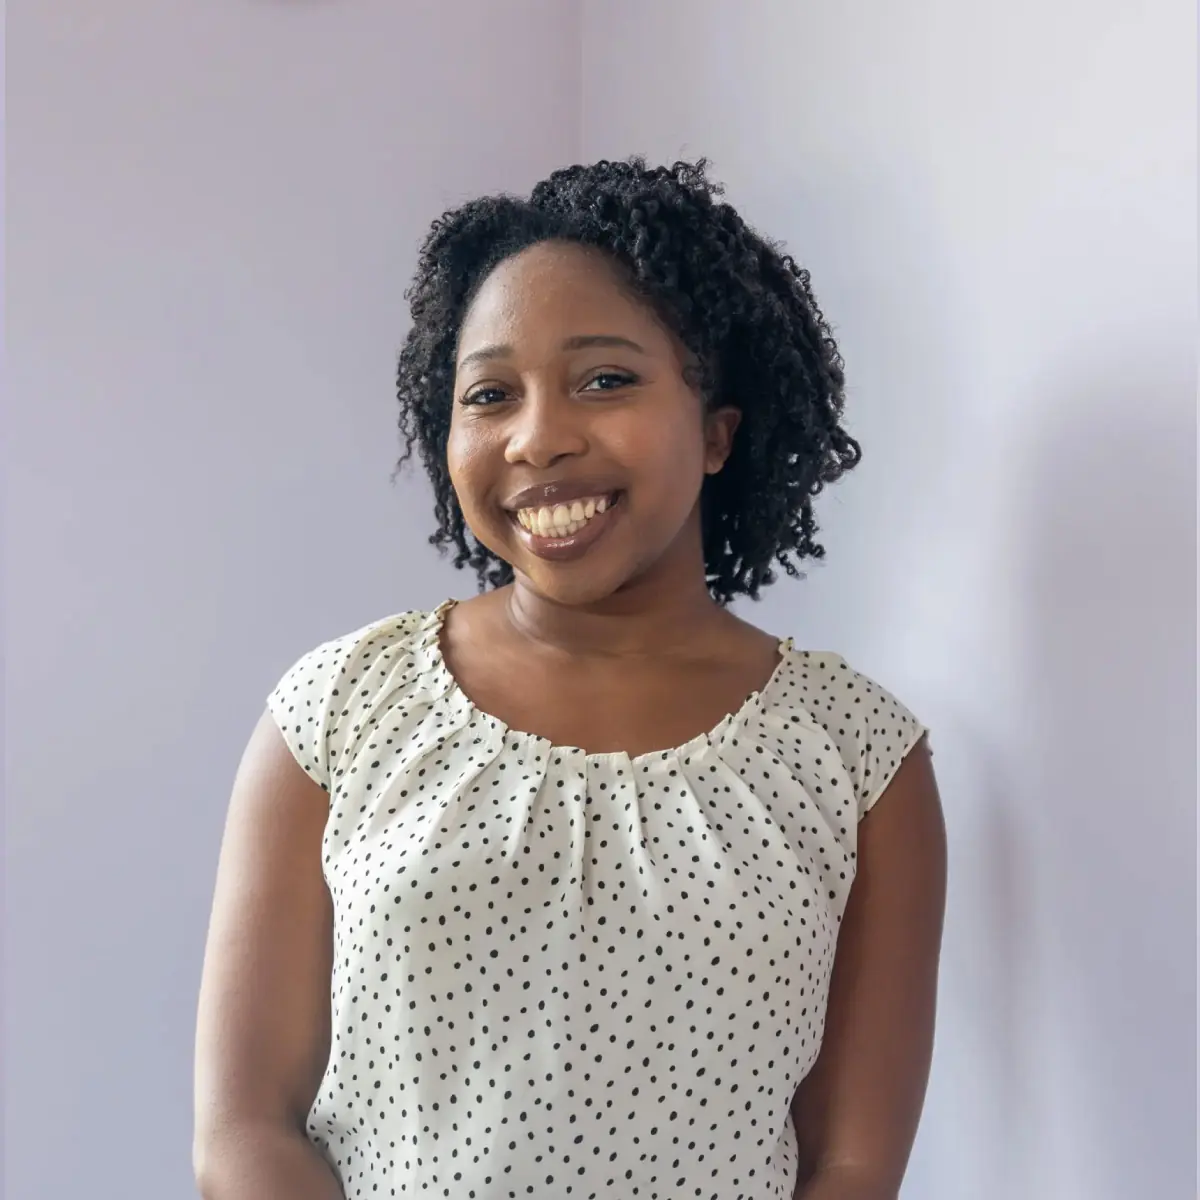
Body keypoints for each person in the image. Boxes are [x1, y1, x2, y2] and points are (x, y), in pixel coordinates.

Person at [193, 157, 947, 1200]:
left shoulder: (860, 760)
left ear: (719, 431)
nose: (539, 437)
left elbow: (853, 1164)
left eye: (606, 379)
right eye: (490, 394)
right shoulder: (338, 710)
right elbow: (243, 1130)